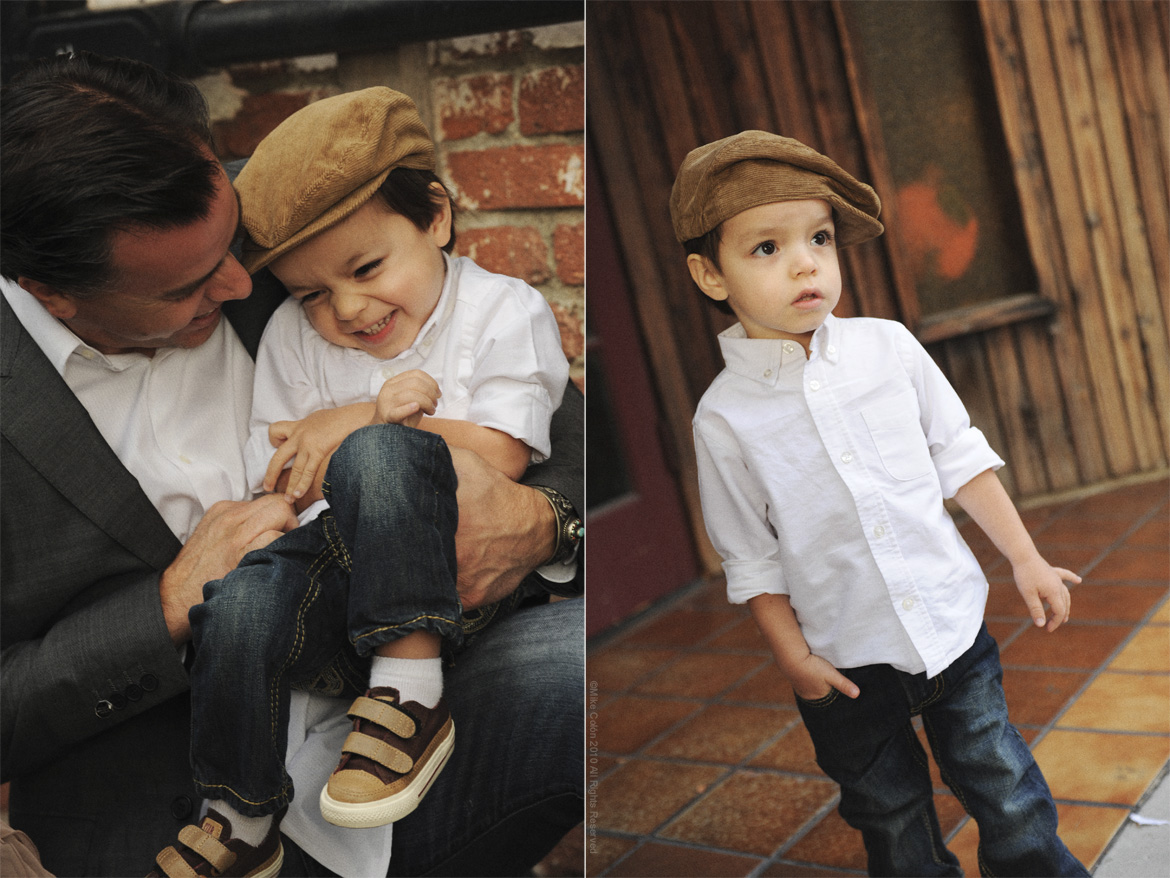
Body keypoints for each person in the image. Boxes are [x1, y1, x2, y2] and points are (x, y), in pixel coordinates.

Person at [0, 51, 583, 878]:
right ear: (53, 292)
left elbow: (560, 422)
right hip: (167, 805)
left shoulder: (291, 206)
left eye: (236, 245)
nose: (246, 281)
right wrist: (167, 604)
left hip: (420, 690)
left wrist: (540, 524)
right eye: (188, 287)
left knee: (573, 665)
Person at [144, 86, 570, 874]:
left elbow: (505, 454)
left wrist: (360, 420)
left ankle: (412, 690)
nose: (346, 308)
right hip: (334, 571)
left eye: (367, 266)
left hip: (447, 568)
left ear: (435, 217)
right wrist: (319, 455)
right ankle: (240, 809)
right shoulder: (289, 337)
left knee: (379, 455)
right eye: (310, 292)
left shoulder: (501, 310)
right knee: (234, 600)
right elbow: (278, 483)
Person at [673, 130, 1088, 877]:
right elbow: (751, 556)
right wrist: (794, 658)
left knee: (1005, 785)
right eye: (766, 248)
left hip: (950, 626)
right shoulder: (724, 418)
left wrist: (1026, 560)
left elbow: (961, 457)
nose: (805, 262)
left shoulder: (888, 349)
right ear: (710, 274)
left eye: (820, 238)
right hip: (842, 663)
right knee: (891, 817)